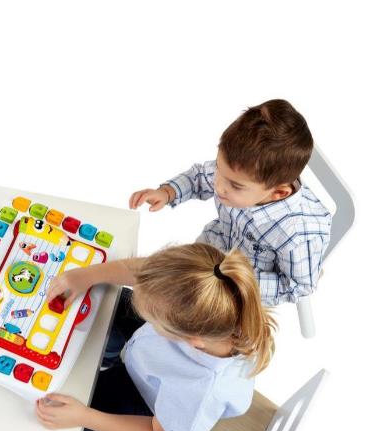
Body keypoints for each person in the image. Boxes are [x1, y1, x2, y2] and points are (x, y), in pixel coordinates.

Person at [35, 243, 276, 431]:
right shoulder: (206, 289)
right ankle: (113, 355)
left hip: (146, 401)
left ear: (190, 340)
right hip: (147, 355)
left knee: (71, 405)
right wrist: (86, 276)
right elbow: (145, 273)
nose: (143, 310)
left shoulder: (195, 392)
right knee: (114, 300)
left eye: (153, 317)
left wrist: (84, 417)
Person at [129, 99, 332, 306]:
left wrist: (234, 278)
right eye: (219, 169)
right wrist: (167, 192)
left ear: (278, 193)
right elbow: (199, 177)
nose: (219, 186)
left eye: (235, 185)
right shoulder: (235, 173)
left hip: (243, 288)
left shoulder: (298, 235)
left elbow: (298, 286)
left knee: (184, 311)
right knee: (164, 283)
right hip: (214, 246)